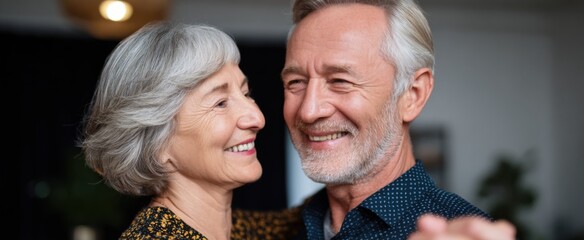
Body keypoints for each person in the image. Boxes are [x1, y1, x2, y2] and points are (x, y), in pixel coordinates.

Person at [277, 0, 516, 239]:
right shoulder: (283, 227)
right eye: (295, 82)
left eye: (340, 81)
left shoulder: (455, 231)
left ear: (413, 95)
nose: (309, 111)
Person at [79, 21, 299, 240]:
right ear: (157, 144)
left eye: (246, 93)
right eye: (220, 103)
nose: (257, 118)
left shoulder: (244, 230)